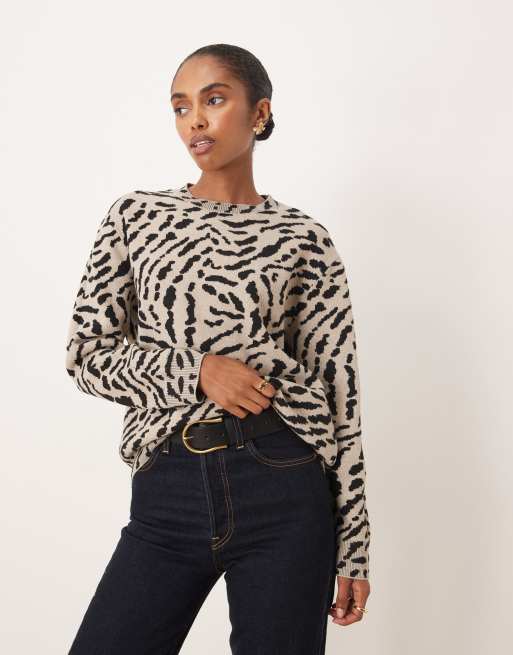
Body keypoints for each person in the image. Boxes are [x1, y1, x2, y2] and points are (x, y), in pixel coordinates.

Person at [64, 43, 371, 654]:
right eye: (181, 107)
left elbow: (341, 395)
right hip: (168, 482)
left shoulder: (304, 238)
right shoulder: (136, 217)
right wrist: (198, 371)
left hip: (284, 480)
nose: (195, 121)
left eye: (214, 99)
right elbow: (86, 355)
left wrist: (355, 547)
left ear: (260, 113)